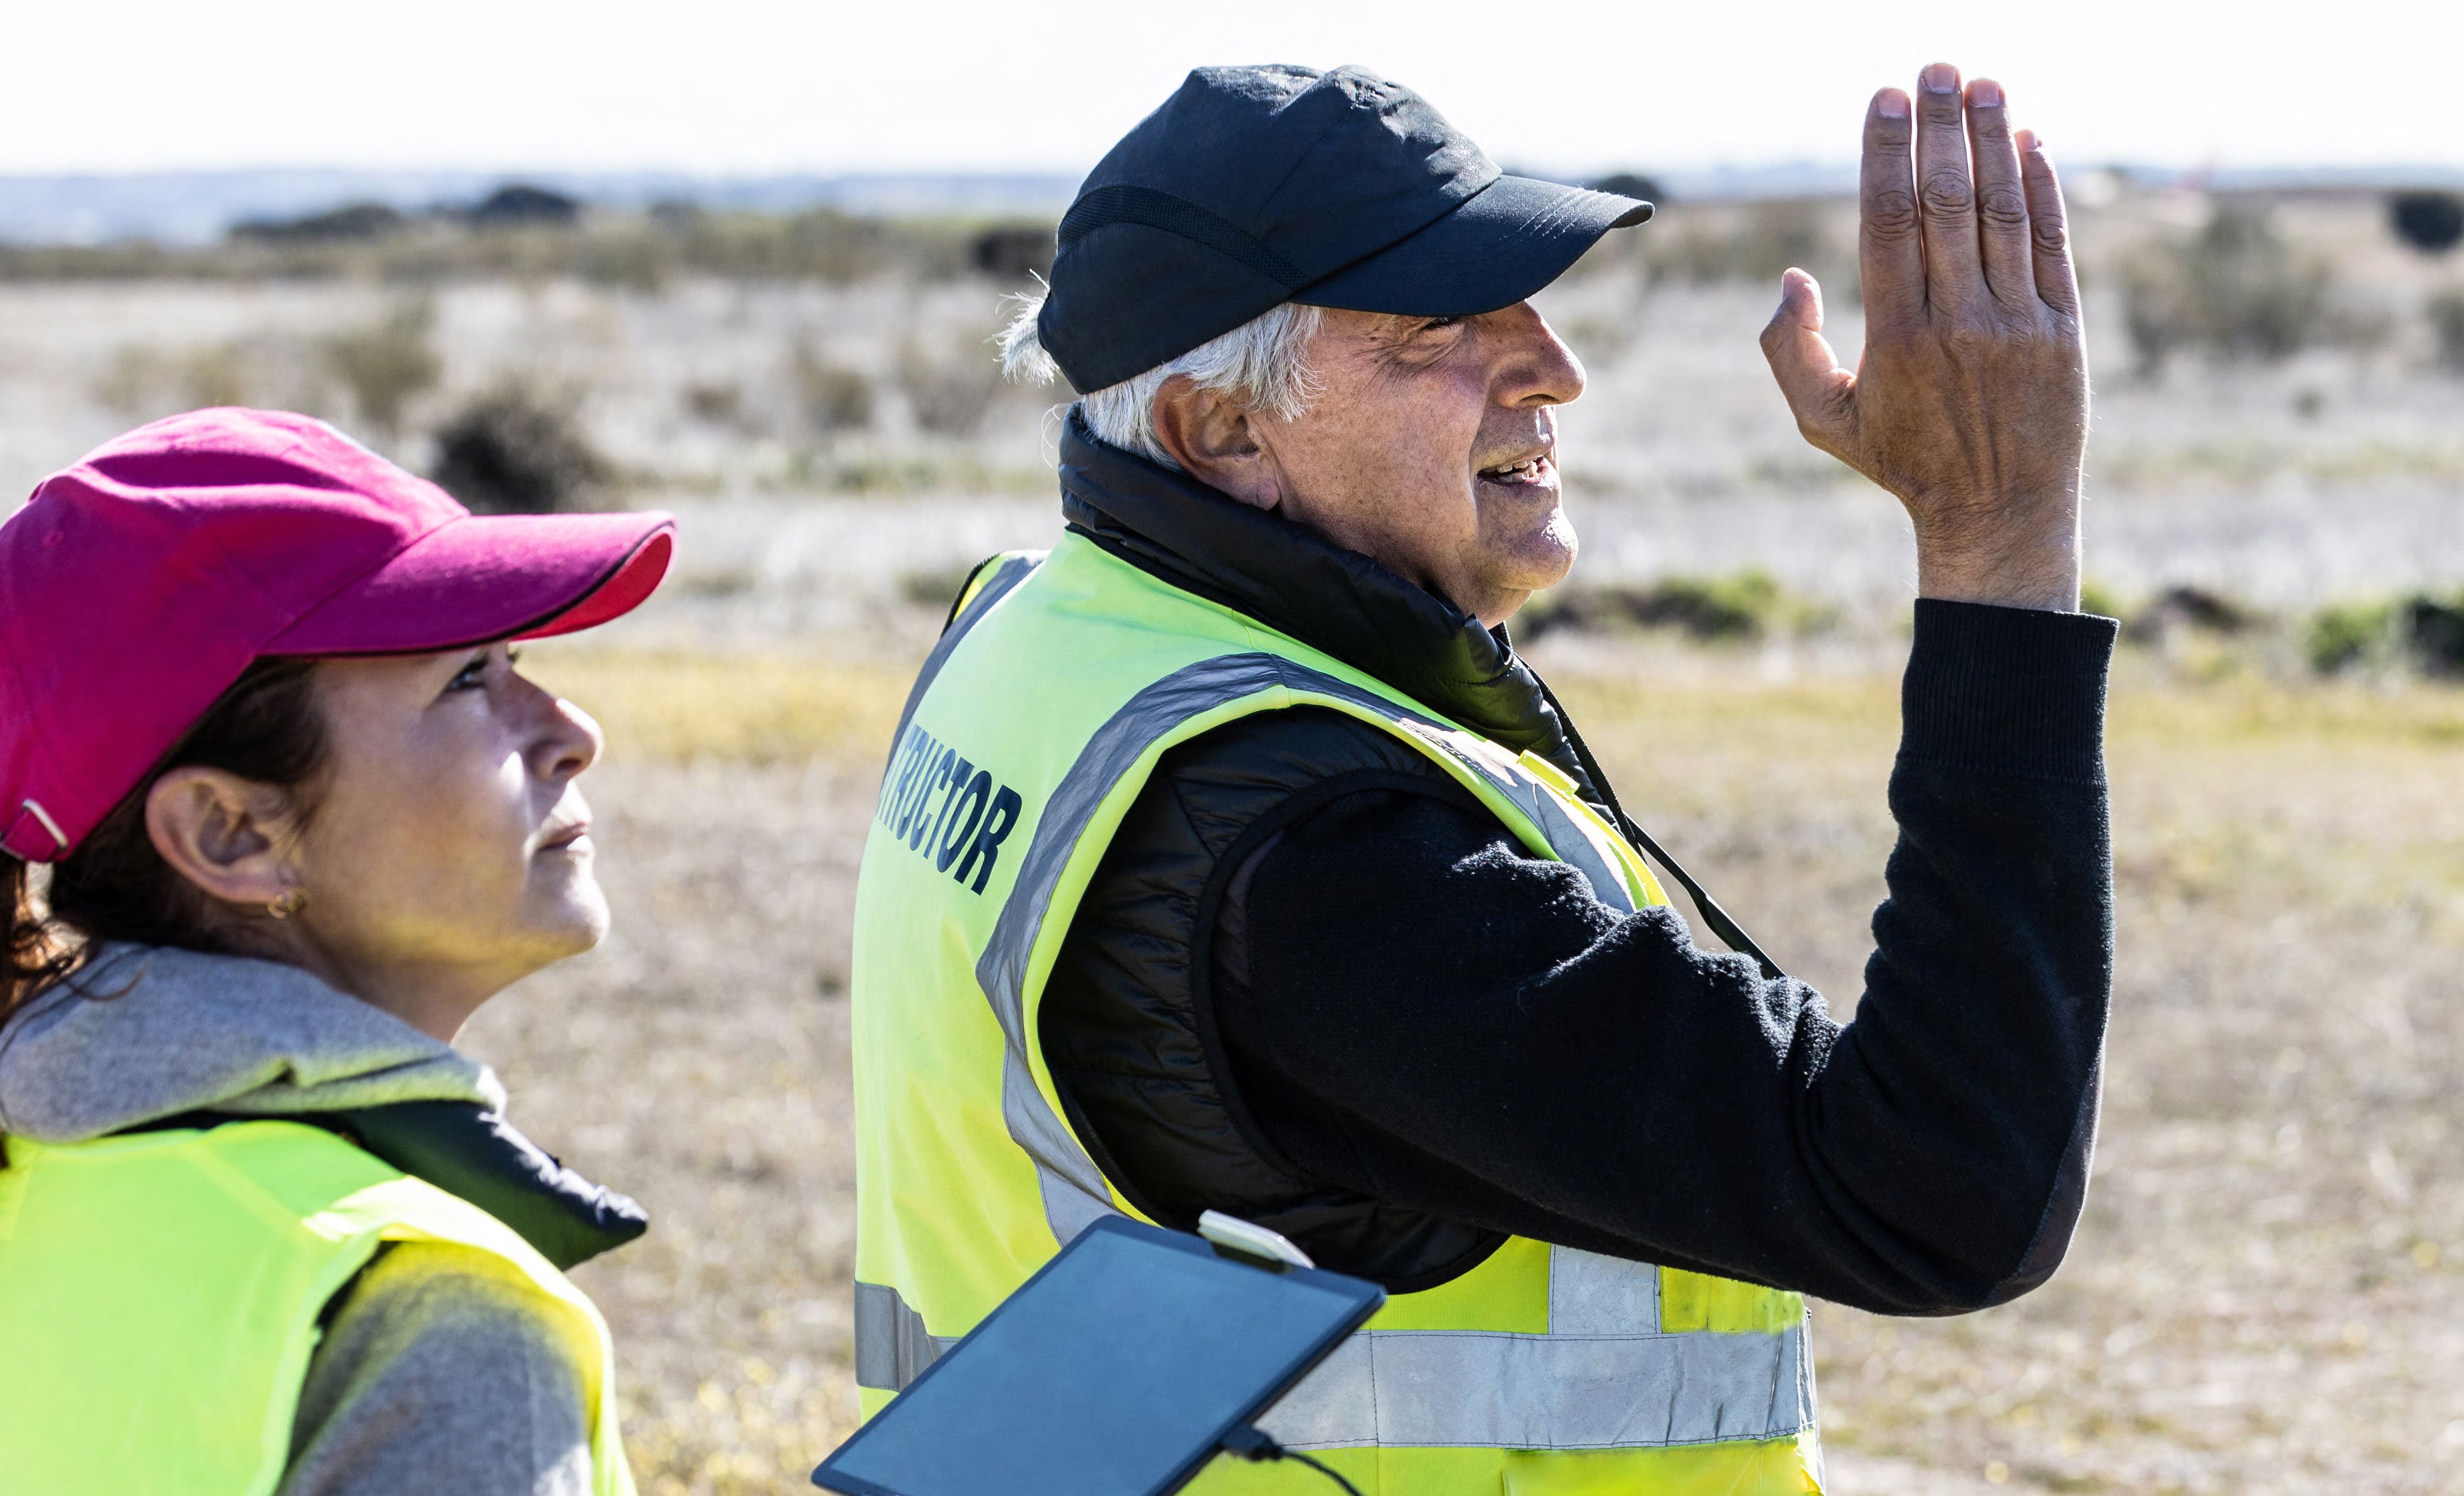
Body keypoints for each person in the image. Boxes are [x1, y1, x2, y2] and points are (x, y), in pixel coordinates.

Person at [848, 62, 2111, 1493]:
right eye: (1445, 325)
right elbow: (1942, 1188)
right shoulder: (1302, 852)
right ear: (1222, 432)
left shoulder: (1035, 634)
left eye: (1530, 301)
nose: (1554, 369)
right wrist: (1999, 544)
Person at [0, 408, 677, 1495]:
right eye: (467, 678)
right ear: (229, 834)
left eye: (514, 658)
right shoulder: (435, 1323)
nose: (571, 727)